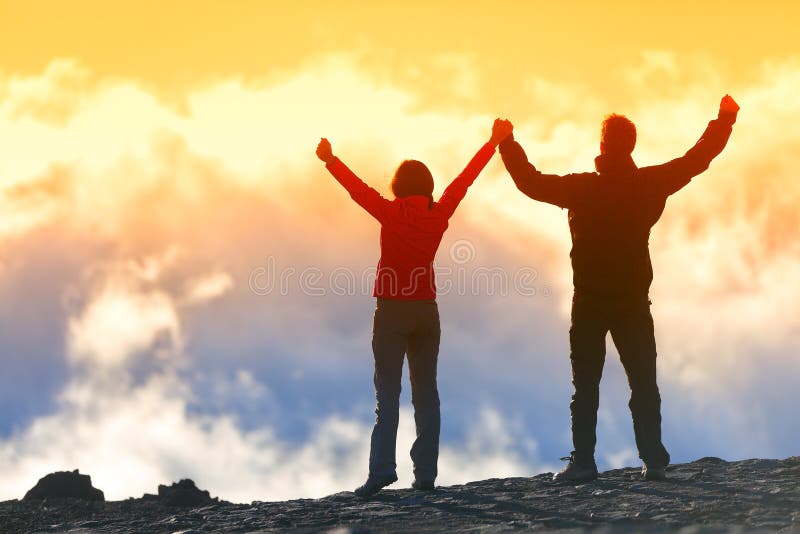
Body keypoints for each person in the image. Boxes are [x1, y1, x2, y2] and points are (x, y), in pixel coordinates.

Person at [499, 95, 739, 482]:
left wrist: (507, 143)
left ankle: (583, 463)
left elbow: (530, 183)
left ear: (602, 146)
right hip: (633, 301)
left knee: (585, 386)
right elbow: (698, 159)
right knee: (644, 382)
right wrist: (725, 120)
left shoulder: (583, 189)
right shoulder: (650, 183)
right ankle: (654, 460)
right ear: (631, 146)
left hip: (590, 301)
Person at [316, 119, 514, 497]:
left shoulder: (391, 213)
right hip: (426, 310)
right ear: (427, 188)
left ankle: (381, 471)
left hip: (391, 311)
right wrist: (492, 143)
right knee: (426, 393)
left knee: (387, 395)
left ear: (398, 187)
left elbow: (358, 191)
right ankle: (425, 473)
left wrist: (331, 160)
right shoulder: (438, 216)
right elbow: (464, 180)